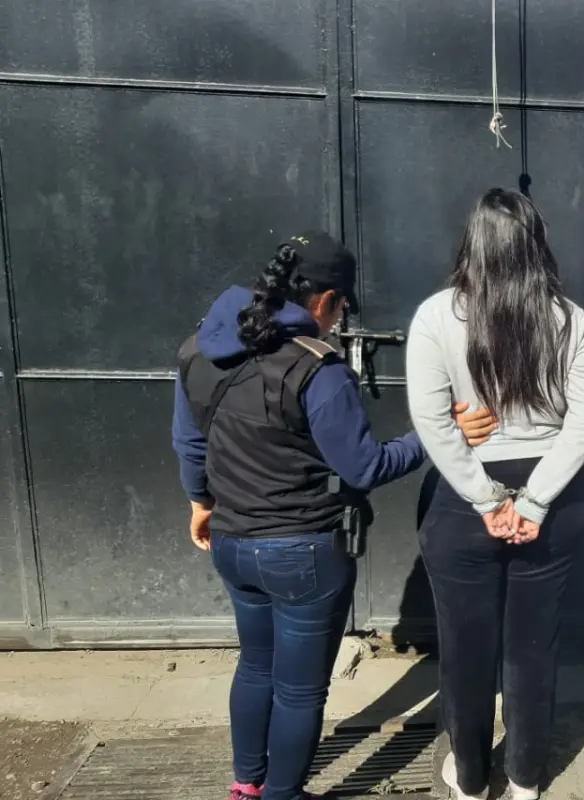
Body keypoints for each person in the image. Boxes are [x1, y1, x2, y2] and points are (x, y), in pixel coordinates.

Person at [171, 233, 426, 800]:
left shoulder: (198, 348)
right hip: (305, 550)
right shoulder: (318, 369)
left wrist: (200, 503)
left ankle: (247, 784)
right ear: (325, 300)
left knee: (256, 667)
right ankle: (283, 795)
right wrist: (433, 436)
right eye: (340, 310)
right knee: (300, 690)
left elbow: (189, 443)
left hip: (233, 543)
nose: (336, 322)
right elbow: (364, 467)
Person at [405, 188, 584, 800]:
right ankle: (525, 779)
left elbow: (432, 421)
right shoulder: (569, 318)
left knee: (464, 651)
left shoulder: (437, 316)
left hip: (465, 506)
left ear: (473, 243)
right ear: (536, 244)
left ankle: (468, 779)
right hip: (553, 502)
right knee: (533, 647)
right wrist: (534, 501)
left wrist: (487, 499)